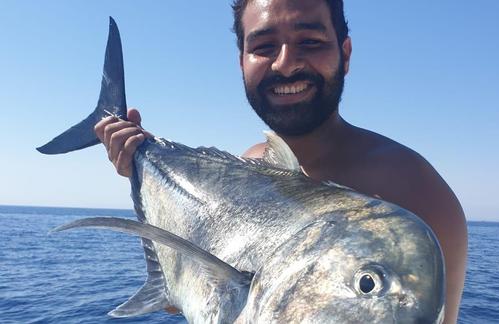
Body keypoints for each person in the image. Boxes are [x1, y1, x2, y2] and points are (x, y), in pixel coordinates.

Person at [94, 0, 467, 322]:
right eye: (264, 46)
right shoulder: (251, 166)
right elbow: (192, 296)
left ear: (346, 53)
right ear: (242, 62)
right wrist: (137, 166)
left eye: (310, 41)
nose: (286, 65)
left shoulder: (418, 190)